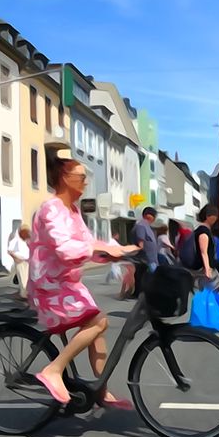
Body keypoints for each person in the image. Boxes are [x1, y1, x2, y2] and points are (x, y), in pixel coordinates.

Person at [28, 157, 138, 406]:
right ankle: (53, 370)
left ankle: (100, 390)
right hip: (49, 287)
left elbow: (89, 245)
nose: (86, 182)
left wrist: (120, 252)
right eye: (81, 177)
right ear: (65, 178)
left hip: (67, 286)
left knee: (97, 327)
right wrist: (105, 249)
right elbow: (67, 249)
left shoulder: (73, 211)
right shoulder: (51, 209)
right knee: (98, 322)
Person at [130, 207, 158, 297]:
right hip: (145, 258)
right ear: (147, 215)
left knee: (142, 276)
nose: (154, 218)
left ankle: (141, 293)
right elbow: (140, 243)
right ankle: (141, 294)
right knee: (146, 276)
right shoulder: (141, 225)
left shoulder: (146, 226)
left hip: (150, 258)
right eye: (153, 215)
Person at [193, 204, 219, 281]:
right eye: (214, 215)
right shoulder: (203, 232)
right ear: (208, 216)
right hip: (202, 269)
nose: (216, 218)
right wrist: (207, 269)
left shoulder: (202, 230)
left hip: (202, 268)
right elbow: (203, 252)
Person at [7, 224, 31, 297]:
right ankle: (24, 295)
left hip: (28, 261)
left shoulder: (26, 240)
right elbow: (10, 251)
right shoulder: (15, 240)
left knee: (28, 279)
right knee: (23, 280)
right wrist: (16, 258)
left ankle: (27, 294)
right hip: (20, 262)